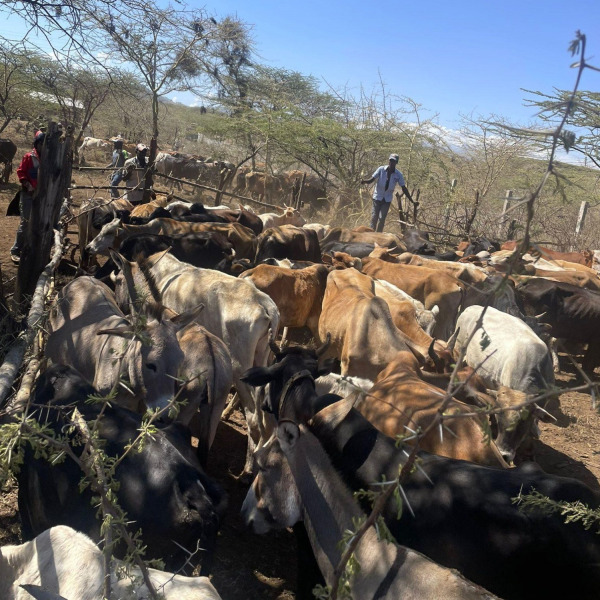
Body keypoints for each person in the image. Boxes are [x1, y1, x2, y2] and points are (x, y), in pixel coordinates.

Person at [10, 131, 45, 263]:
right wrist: (27, 184)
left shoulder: (48, 158)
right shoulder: (29, 156)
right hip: (28, 194)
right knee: (26, 222)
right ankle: (15, 250)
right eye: (41, 143)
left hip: (42, 195)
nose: (43, 146)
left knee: (40, 221)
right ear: (37, 144)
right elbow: (21, 172)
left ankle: (34, 248)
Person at [361, 153, 415, 232]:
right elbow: (372, 179)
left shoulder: (398, 175)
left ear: (396, 163)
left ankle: (379, 235)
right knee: (374, 217)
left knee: (382, 219)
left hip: (387, 199)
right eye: (390, 160)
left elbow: (404, 188)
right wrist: (364, 181)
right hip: (377, 197)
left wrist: (412, 200)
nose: (391, 162)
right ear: (389, 161)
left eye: (393, 161)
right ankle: (371, 235)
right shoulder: (381, 169)